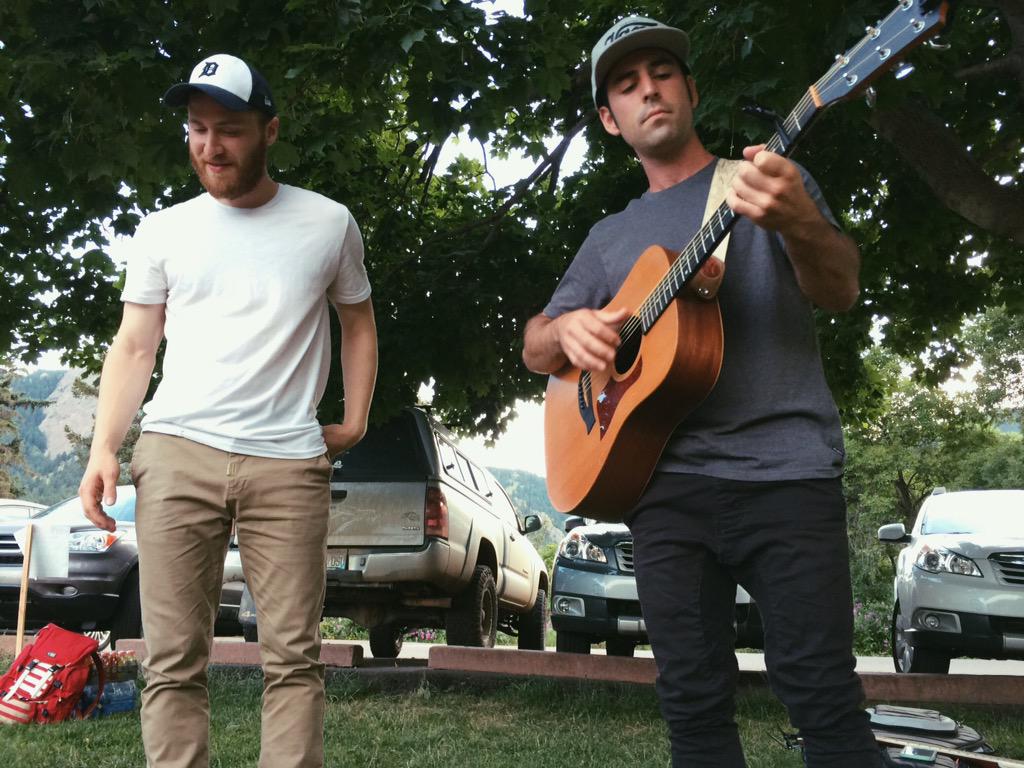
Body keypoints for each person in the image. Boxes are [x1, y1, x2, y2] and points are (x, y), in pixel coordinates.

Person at [523, 17, 882, 768]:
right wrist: (571, 335)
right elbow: (535, 344)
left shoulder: (762, 181)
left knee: (821, 696)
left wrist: (801, 224)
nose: (646, 88)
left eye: (660, 72)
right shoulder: (609, 236)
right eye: (625, 85)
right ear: (610, 120)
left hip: (788, 471)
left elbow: (840, 288)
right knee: (691, 705)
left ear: (689, 88)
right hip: (665, 487)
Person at [78, 53, 377, 768]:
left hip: (287, 458)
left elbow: (358, 322)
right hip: (178, 449)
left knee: (293, 659)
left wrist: (357, 416)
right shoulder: (163, 231)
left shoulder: (329, 223)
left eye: (231, 130)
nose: (211, 146)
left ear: (269, 131)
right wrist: (103, 448)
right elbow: (134, 344)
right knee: (174, 657)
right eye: (197, 128)